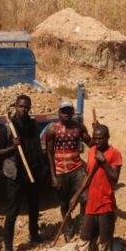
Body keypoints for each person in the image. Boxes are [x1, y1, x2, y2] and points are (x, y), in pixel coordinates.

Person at [0, 94, 45, 251]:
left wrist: (41, 168)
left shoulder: (34, 125)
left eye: (27, 107)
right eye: (21, 106)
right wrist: (12, 147)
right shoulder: (9, 128)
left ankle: (35, 235)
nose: (24, 109)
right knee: (12, 211)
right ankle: (8, 247)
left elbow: (37, 147)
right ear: (15, 106)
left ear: (30, 108)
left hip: (32, 172)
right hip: (15, 175)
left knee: (34, 207)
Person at [45, 100, 91, 242]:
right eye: (63, 111)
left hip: (77, 169)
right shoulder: (53, 130)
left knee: (85, 198)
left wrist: (96, 131)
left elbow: (91, 143)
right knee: (64, 203)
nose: (66, 114)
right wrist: (53, 176)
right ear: (59, 113)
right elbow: (49, 153)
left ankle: (83, 225)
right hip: (60, 171)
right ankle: (68, 227)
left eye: (68, 111)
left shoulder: (79, 128)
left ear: (72, 113)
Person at [71, 124, 122, 251]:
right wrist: (77, 195)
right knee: (85, 238)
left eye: (100, 138)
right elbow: (88, 177)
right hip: (91, 202)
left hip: (106, 203)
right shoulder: (92, 151)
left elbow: (115, 179)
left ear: (108, 138)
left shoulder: (115, 154)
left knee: (104, 241)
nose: (97, 141)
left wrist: (104, 161)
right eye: (95, 138)